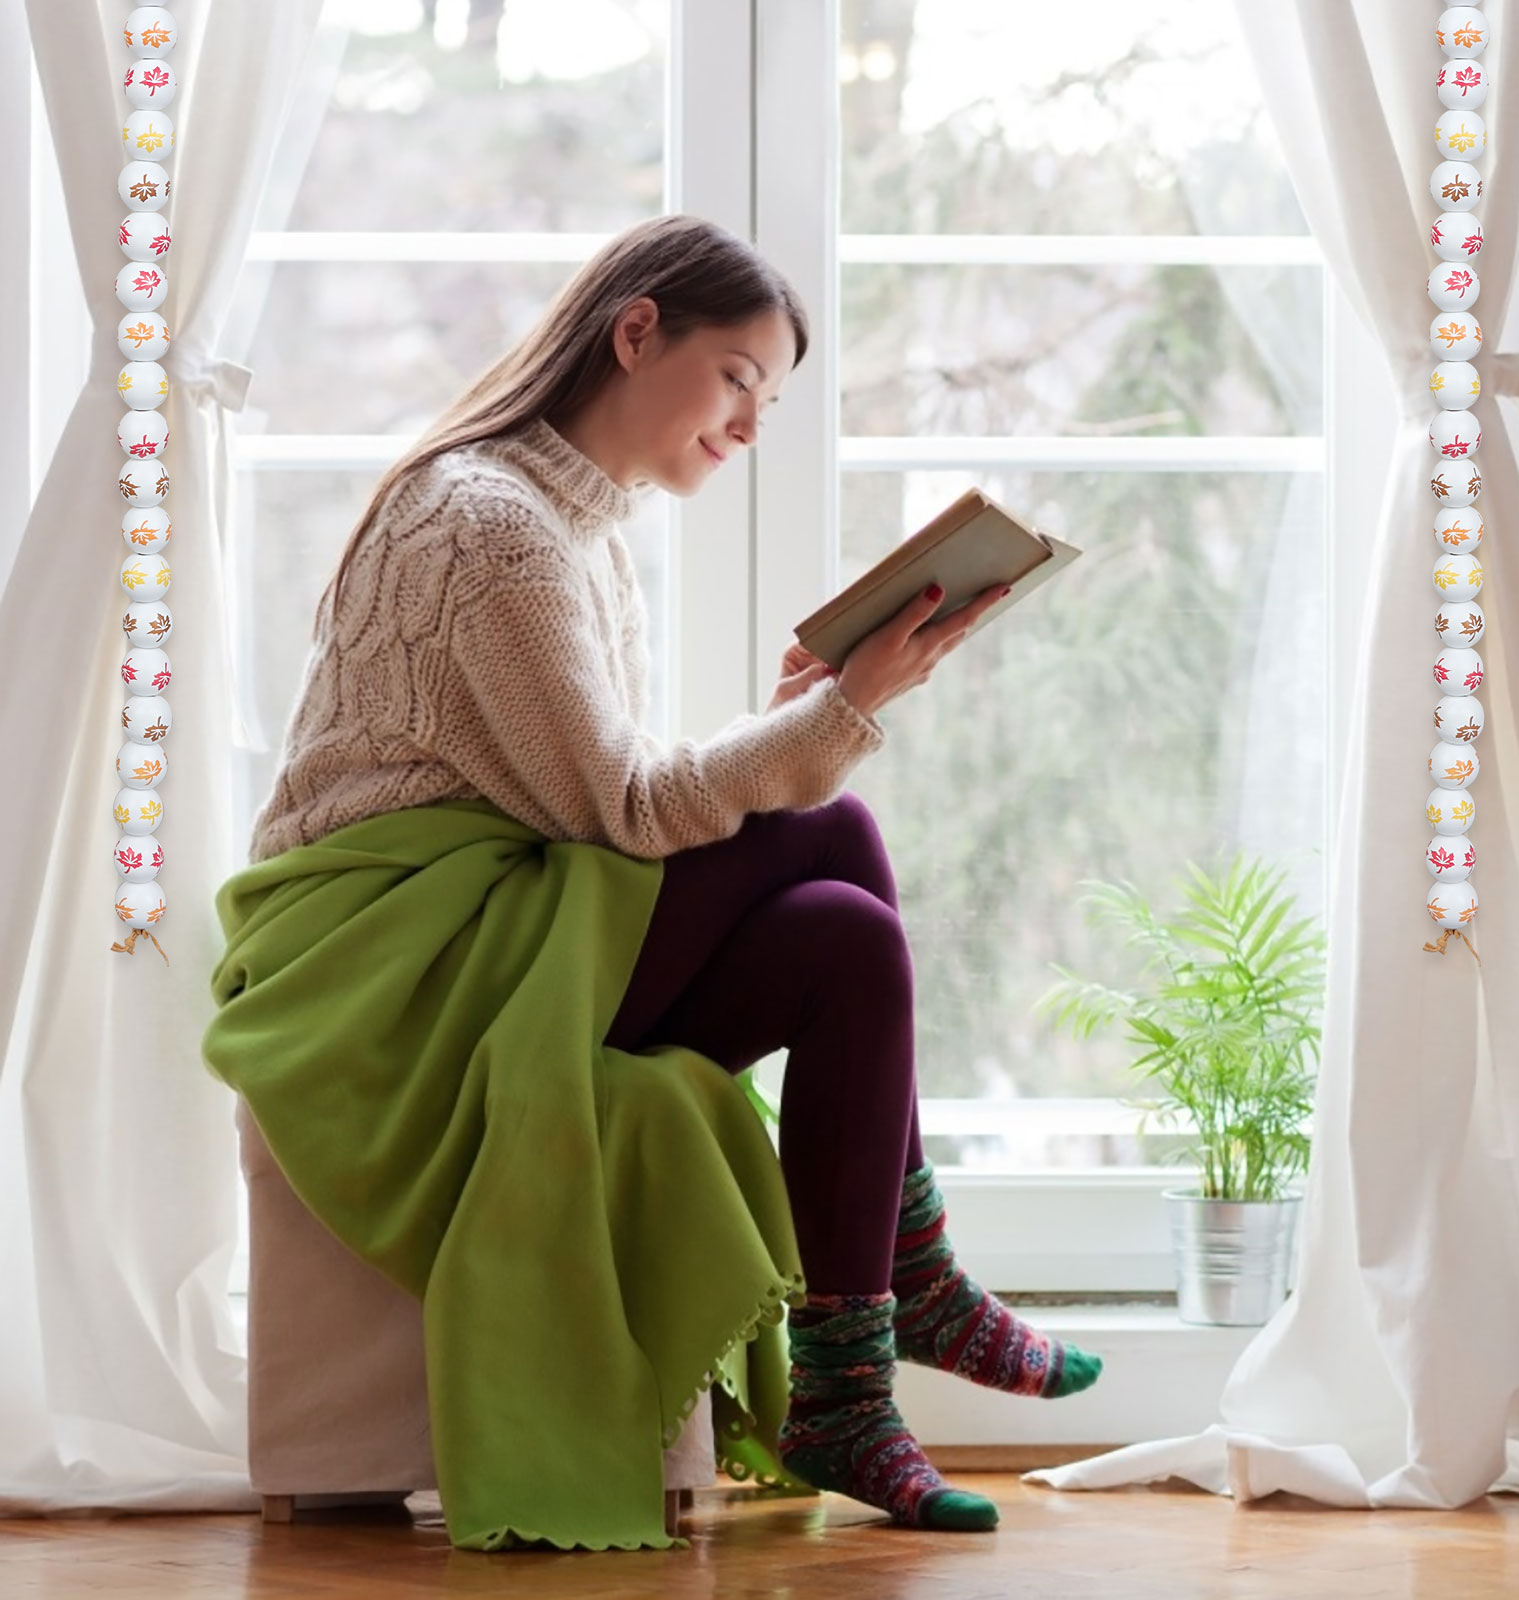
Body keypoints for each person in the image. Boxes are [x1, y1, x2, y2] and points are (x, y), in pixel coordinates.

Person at [237, 212, 1102, 1538]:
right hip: (392, 972)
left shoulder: (580, 531)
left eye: (771, 399)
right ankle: (908, 1289)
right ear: (636, 331)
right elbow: (629, 811)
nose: (750, 424)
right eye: (738, 378)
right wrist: (837, 716)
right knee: (834, 836)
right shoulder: (490, 523)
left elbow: (595, 800)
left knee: (846, 932)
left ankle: (853, 1386)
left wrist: (799, 720)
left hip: (503, 927)